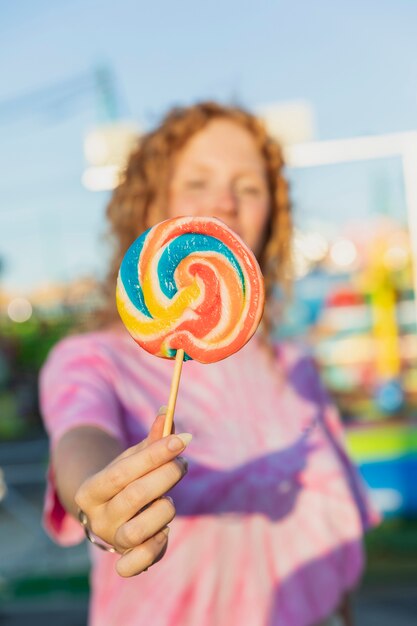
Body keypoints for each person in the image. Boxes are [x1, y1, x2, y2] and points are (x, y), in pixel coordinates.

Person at [39, 102, 379, 626]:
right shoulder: (91, 360)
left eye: (249, 188)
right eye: (197, 182)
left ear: (273, 215)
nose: (225, 201)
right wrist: (102, 496)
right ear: (148, 204)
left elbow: (332, 531)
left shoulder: (294, 368)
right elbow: (81, 442)